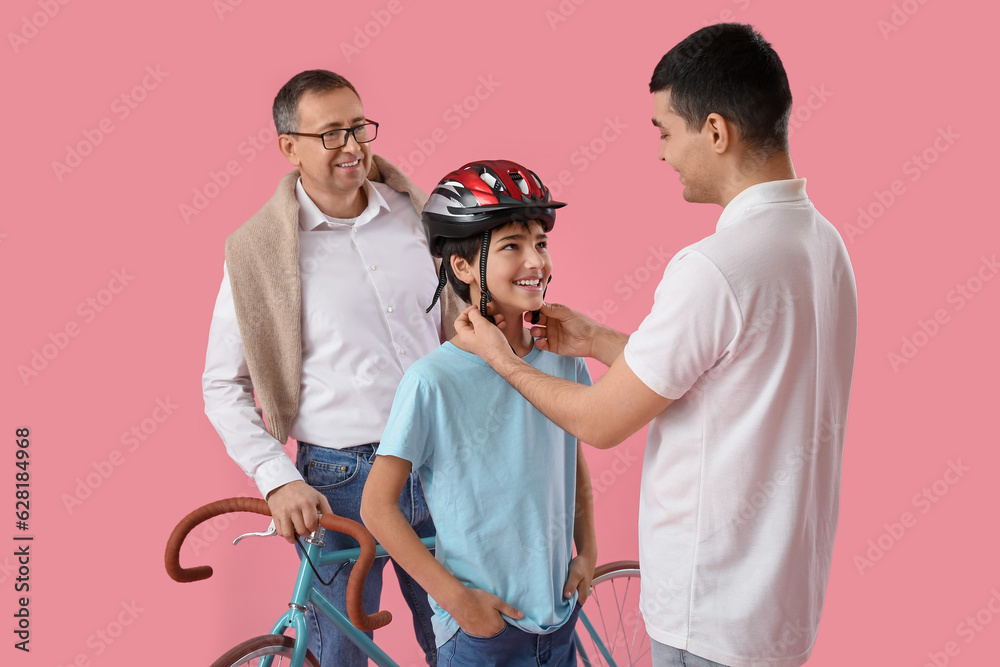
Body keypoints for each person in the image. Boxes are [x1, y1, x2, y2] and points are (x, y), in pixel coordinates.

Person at [451, 25, 859, 667]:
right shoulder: (821, 244)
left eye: (665, 131)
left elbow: (601, 421)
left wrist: (501, 359)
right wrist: (595, 339)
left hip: (710, 613)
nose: (661, 153)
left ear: (716, 132)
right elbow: (727, 373)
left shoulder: (714, 268)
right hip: (781, 606)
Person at [202, 69, 461, 666]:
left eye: (359, 127)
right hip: (339, 484)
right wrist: (278, 478)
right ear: (288, 147)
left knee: (464, 644)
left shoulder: (419, 214)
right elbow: (223, 384)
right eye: (331, 134)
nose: (352, 145)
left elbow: (466, 324)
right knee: (336, 654)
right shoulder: (258, 255)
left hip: (442, 461)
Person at [360, 160, 598, 667]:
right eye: (512, 245)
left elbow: (573, 459)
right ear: (463, 267)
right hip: (483, 634)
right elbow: (377, 507)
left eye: (541, 242)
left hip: (558, 617)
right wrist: (456, 600)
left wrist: (589, 552)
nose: (535, 259)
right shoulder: (432, 382)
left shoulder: (562, 356)